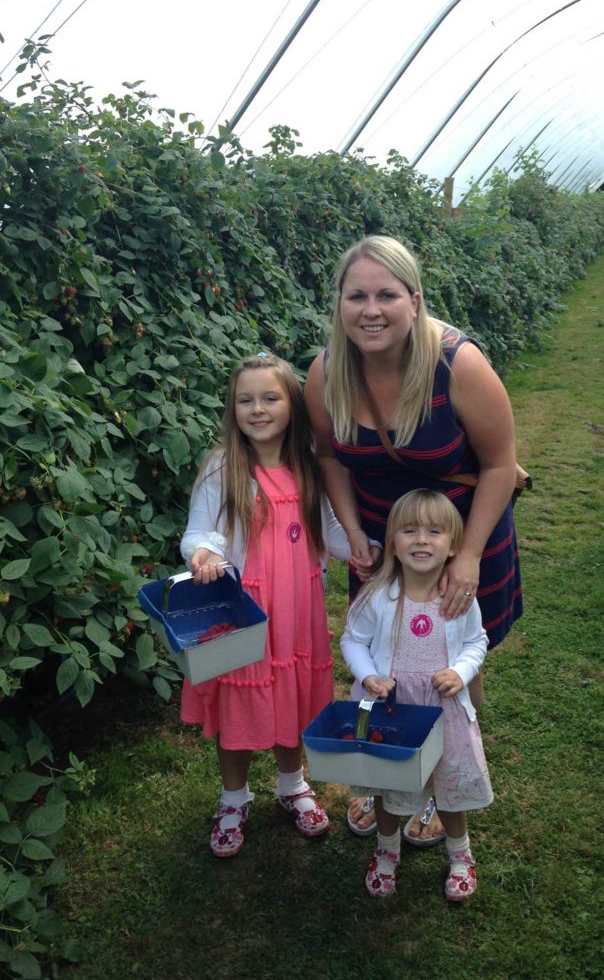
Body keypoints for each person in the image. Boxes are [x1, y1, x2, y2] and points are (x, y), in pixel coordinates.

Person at [305, 234, 525, 846]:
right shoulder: (328, 371)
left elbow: (501, 465)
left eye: (386, 295)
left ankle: (447, 777)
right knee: (386, 653)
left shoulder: (458, 364)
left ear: (415, 300)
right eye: (357, 296)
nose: (370, 310)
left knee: (453, 652)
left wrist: (471, 556)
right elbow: (328, 455)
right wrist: (352, 532)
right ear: (339, 304)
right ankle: (387, 773)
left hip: (457, 531)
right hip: (382, 540)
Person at [180, 352, 358, 857]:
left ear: (292, 405)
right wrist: (204, 552)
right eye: (245, 400)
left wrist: (366, 549)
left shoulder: (308, 466)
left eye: (270, 398)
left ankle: (291, 785)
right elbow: (197, 528)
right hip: (243, 616)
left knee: (295, 700)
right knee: (239, 707)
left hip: (298, 611)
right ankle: (233, 799)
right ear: (232, 408)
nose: (257, 409)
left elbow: (330, 535)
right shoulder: (223, 466)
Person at [340, 490, 491, 900]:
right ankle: (387, 853)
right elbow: (352, 640)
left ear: (453, 545)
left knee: (447, 788)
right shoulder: (378, 596)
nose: (421, 540)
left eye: (434, 532)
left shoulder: (459, 599)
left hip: (444, 713)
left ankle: (460, 855)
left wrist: (459, 673)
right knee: (391, 786)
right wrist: (369, 674)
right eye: (409, 531)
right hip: (395, 711)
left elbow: (477, 643)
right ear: (393, 543)